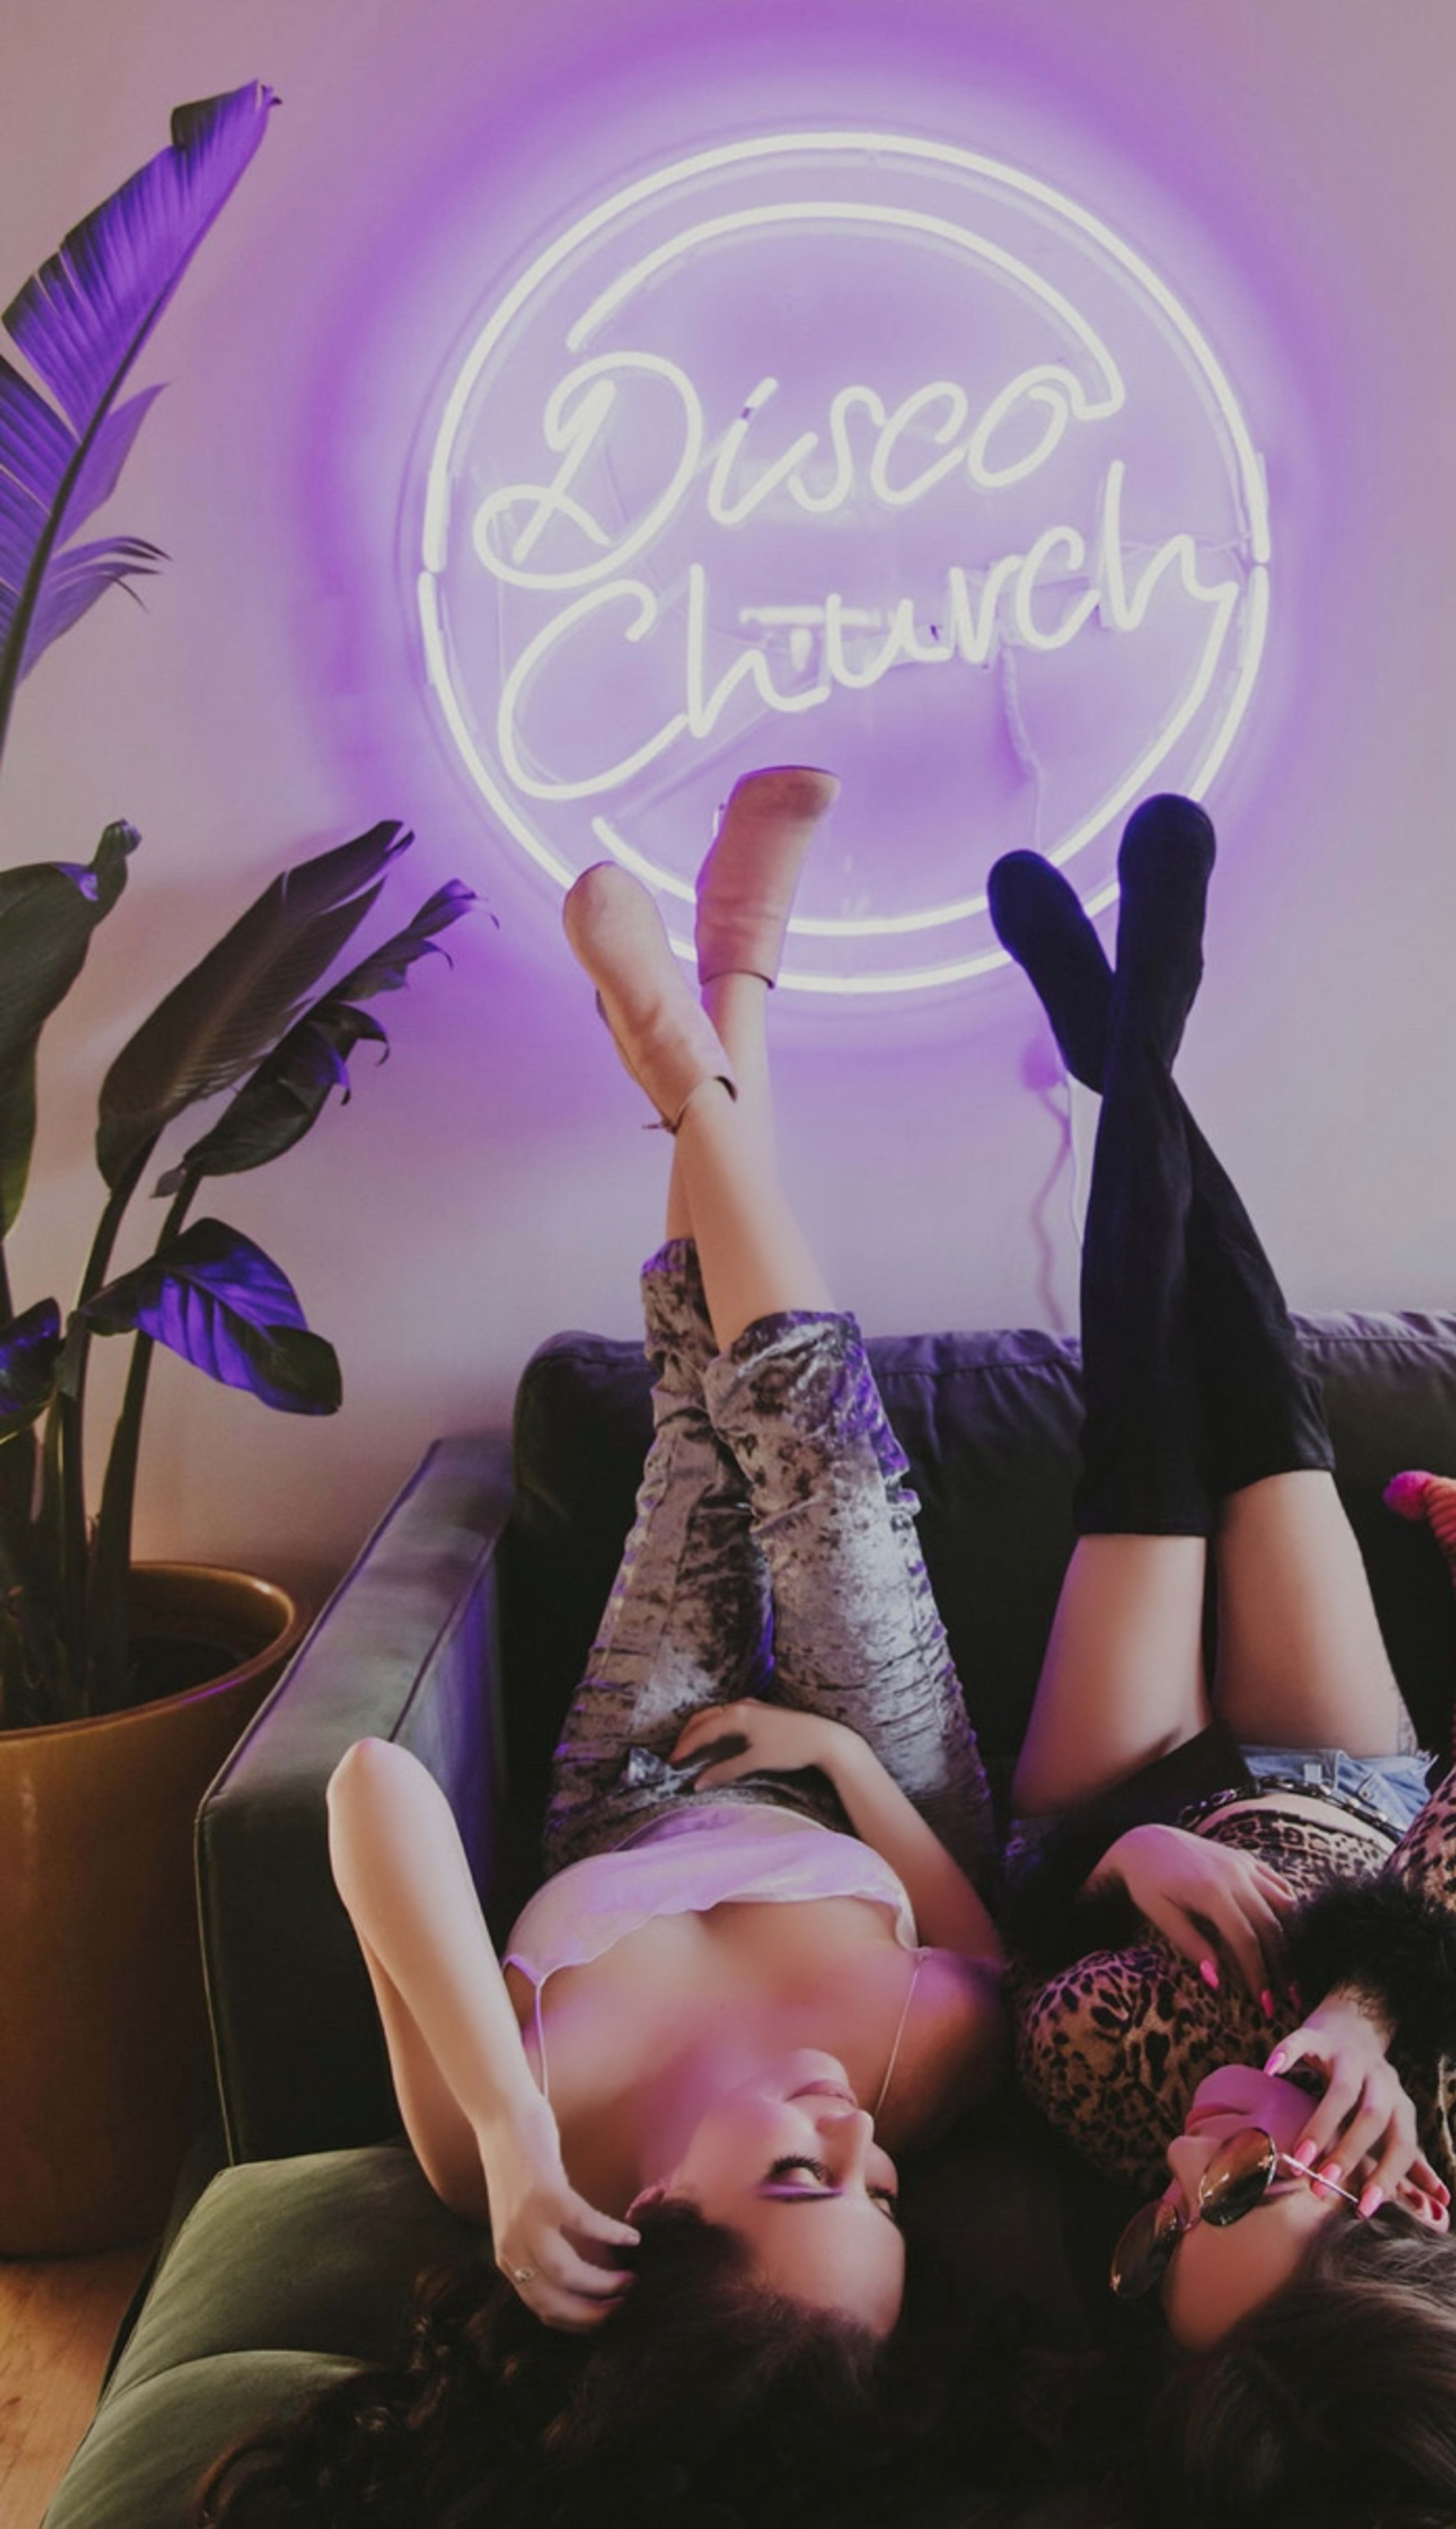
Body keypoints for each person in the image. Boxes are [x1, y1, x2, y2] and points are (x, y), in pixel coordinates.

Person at [199, 768, 1006, 2529]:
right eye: (881, 2198)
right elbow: (979, 1955)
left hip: (631, 1795)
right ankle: (700, 1032)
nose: (869, 2146)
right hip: (867, 1782)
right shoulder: (909, 2073)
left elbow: (368, 1785)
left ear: (653, 2227)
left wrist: (496, 2117)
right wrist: (852, 1762)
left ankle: (724, 1003)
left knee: (698, 1432)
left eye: (812, 2174)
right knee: (823, 1459)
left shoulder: (523, 2126)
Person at [986, 795, 1456, 2529]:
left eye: (1158, 2240)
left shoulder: (1131, 2115)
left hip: (1135, 1787)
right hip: (1356, 1780)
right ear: (1391, 2212)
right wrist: (1366, 1993)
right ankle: (1133, 1024)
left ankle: (1128, 1036)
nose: (1181, 2174)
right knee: (1265, 1394)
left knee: (1148, 1436)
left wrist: (1125, 1851)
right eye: (1233, 2198)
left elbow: (1017, 1969)